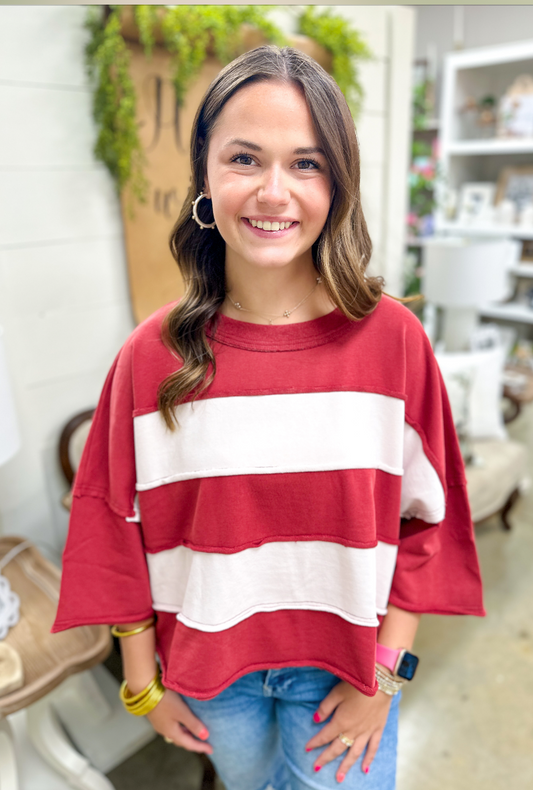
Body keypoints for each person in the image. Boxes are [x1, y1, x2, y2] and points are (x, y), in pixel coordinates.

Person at [53, 46, 485, 790]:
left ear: (338, 182)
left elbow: (430, 522)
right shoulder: (149, 357)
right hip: (212, 681)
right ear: (206, 177)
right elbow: (111, 529)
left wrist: (384, 674)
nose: (273, 192)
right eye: (245, 159)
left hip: (346, 673)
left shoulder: (392, 342)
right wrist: (141, 686)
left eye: (306, 164)